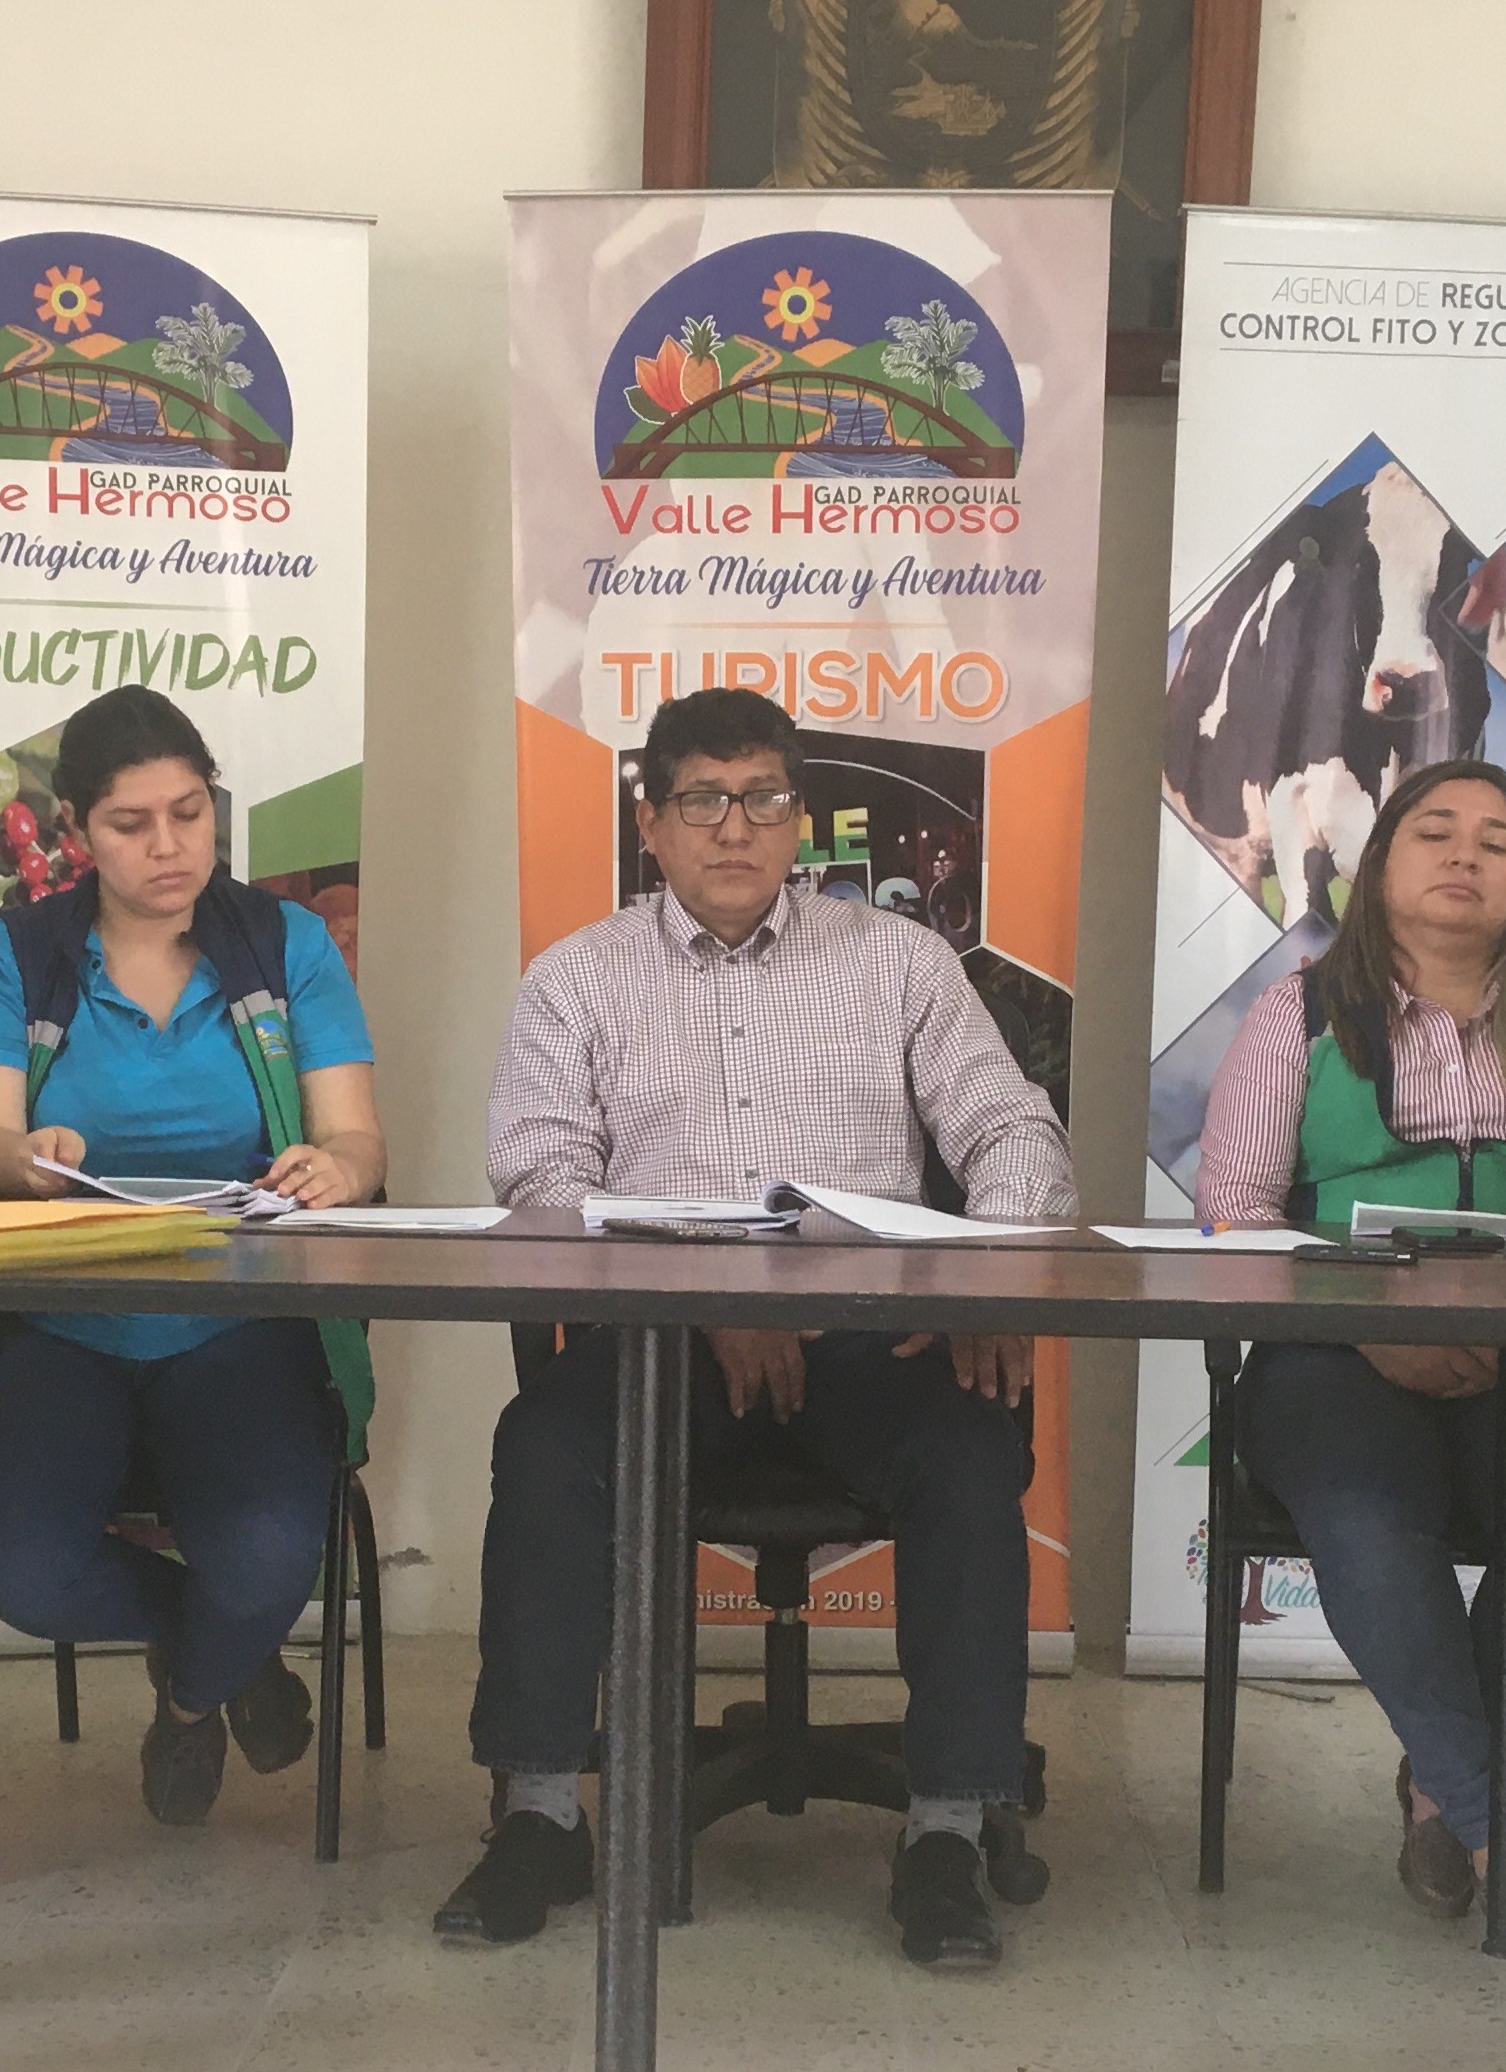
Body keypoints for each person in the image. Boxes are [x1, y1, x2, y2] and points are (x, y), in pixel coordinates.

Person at [454, 686, 1073, 1969]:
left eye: (764, 799)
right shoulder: (577, 979)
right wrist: (709, 1293)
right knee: (545, 1448)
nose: (734, 827)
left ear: (800, 820)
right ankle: (537, 1812)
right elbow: (544, 1179)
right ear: (651, 823)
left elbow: (1013, 1130)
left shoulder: (898, 962)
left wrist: (988, 1274)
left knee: (970, 1457)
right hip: (660, 1343)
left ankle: (950, 1830)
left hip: (870, 1338)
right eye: (702, 801)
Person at [1193, 758, 1506, 1938]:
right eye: (1436, 833)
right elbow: (1234, 1218)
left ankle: (1442, 1775)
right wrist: (1372, 1329)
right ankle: (1495, 1818)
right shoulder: (1299, 1013)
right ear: (1379, 865)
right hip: (1332, 1355)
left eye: (1496, 842)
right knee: (1368, 1516)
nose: (1465, 856)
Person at [0, 683, 386, 1824]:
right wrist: (19, 1155)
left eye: (190, 813)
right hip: (58, 1317)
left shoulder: (284, 944)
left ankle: (188, 1700)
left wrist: (336, 1169)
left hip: (245, 1314)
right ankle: (224, 1649)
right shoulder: (17, 953)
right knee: (11, 1567)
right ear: (75, 829)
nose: (169, 846)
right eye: (131, 824)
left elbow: (357, 1139)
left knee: (271, 1558)